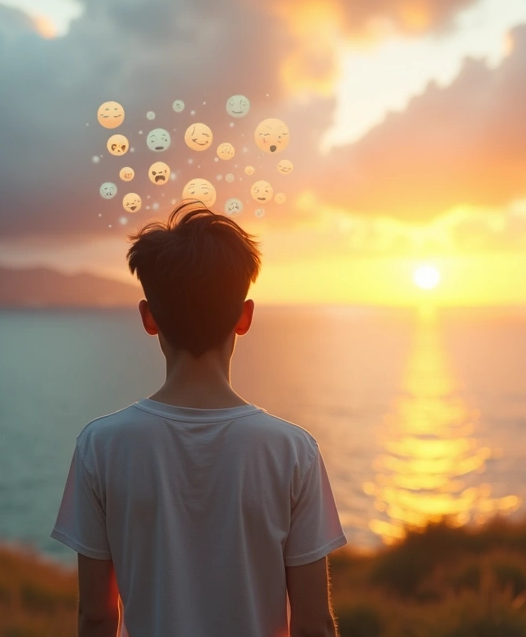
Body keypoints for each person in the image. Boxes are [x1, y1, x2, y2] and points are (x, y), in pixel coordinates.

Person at [52, 201, 347, 637]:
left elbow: (96, 617)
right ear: (244, 317)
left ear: (148, 318)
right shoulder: (292, 451)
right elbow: (313, 624)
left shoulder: (100, 446)